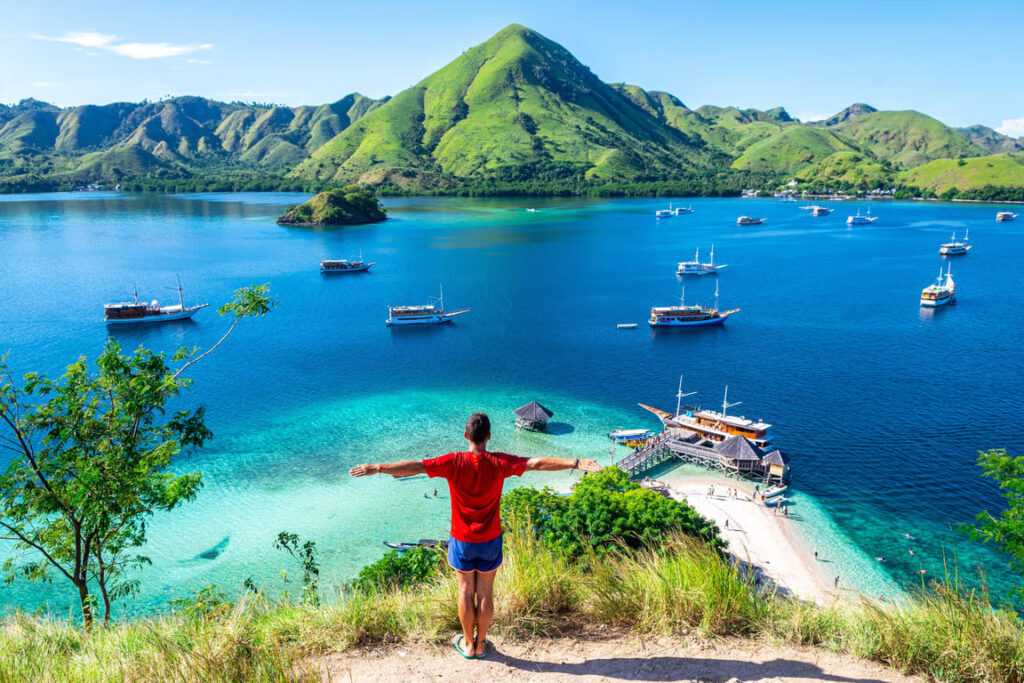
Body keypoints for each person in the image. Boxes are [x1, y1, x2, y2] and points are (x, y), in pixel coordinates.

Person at [349, 412, 601, 659]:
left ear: (465, 435)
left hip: (462, 540)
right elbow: (535, 463)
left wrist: (377, 467)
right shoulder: (500, 463)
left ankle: (468, 644)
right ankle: (481, 644)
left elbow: (417, 465)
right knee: (486, 593)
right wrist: (576, 463)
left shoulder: (452, 462)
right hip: (490, 539)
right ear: (489, 437)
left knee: (464, 592)